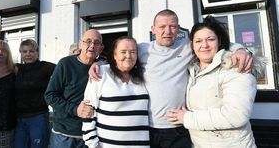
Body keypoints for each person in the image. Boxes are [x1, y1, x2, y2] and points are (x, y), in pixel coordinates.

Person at [88, 10, 253, 148]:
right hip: (148, 129)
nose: (167, 31)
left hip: (178, 129)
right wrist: (100, 64)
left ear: (178, 29)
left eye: (172, 26)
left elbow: (215, 42)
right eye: (162, 27)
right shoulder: (141, 49)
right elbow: (122, 55)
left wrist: (242, 50)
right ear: (153, 29)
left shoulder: (189, 47)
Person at [165, 16, 257, 148]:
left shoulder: (235, 68)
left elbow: (236, 115)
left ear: (219, 41)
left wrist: (186, 118)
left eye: (210, 39)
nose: (204, 45)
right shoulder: (192, 70)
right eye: (198, 41)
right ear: (192, 45)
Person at [82, 36, 150, 148]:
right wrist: (93, 145)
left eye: (133, 52)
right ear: (114, 55)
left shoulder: (145, 75)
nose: (128, 56)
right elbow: (88, 113)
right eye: (123, 52)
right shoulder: (100, 74)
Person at [44, 29, 104, 148]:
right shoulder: (65, 64)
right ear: (80, 44)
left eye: (96, 43)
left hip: (92, 136)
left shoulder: (103, 68)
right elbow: (50, 95)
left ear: (101, 49)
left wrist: (101, 63)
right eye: (88, 41)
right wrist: (75, 109)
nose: (92, 45)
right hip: (64, 136)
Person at [14, 39, 56, 148]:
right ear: (21, 53)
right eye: (24, 51)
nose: (28, 54)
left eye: (31, 51)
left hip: (38, 117)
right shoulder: (16, 69)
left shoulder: (45, 67)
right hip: (18, 118)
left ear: (37, 52)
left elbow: (64, 70)